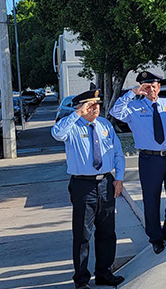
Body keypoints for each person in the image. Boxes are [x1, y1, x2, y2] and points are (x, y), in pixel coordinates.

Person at [51, 90, 125, 289]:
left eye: (97, 104)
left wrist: (118, 178)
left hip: (106, 184)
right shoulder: (72, 126)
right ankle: (81, 279)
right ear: (81, 107)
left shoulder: (104, 125)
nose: (95, 108)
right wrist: (77, 114)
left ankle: (104, 273)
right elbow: (57, 134)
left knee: (107, 231)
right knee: (83, 234)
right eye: (90, 105)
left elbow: (118, 153)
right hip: (83, 185)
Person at [110, 71, 166, 255]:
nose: (151, 89)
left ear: (159, 86)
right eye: (146, 86)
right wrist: (133, 93)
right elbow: (114, 111)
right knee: (151, 198)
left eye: (154, 85)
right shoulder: (133, 108)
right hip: (150, 159)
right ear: (142, 88)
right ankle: (155, 237)